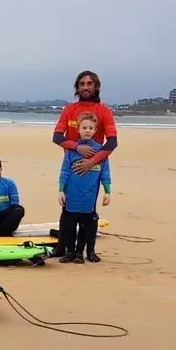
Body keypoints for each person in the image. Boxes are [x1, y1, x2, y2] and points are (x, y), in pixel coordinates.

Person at [57, 112, 112, 263]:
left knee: (85, 225)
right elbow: (64, 171)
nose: (87, 130)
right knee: (69, 224)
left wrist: (107, 192)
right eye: (84, 127)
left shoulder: (101, 151)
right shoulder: (71, 150)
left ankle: (80, 252)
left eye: (91, 128)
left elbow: (105, 173)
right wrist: (61, 190)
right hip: (72, 194)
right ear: (79, 130)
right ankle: (70, 252)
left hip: (89, 195)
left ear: (95, 130)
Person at [52, 70, 118, 175]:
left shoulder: (104, 110)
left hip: (94, 166)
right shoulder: (69, 110)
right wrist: (77, 147)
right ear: (77, 88)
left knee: (90, 192)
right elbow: (57, 137)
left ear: (96, 87)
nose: (85, 87)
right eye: (82, 84)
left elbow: (112, 142)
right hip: (71, 164)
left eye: (89, 84)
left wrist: (91, 162)